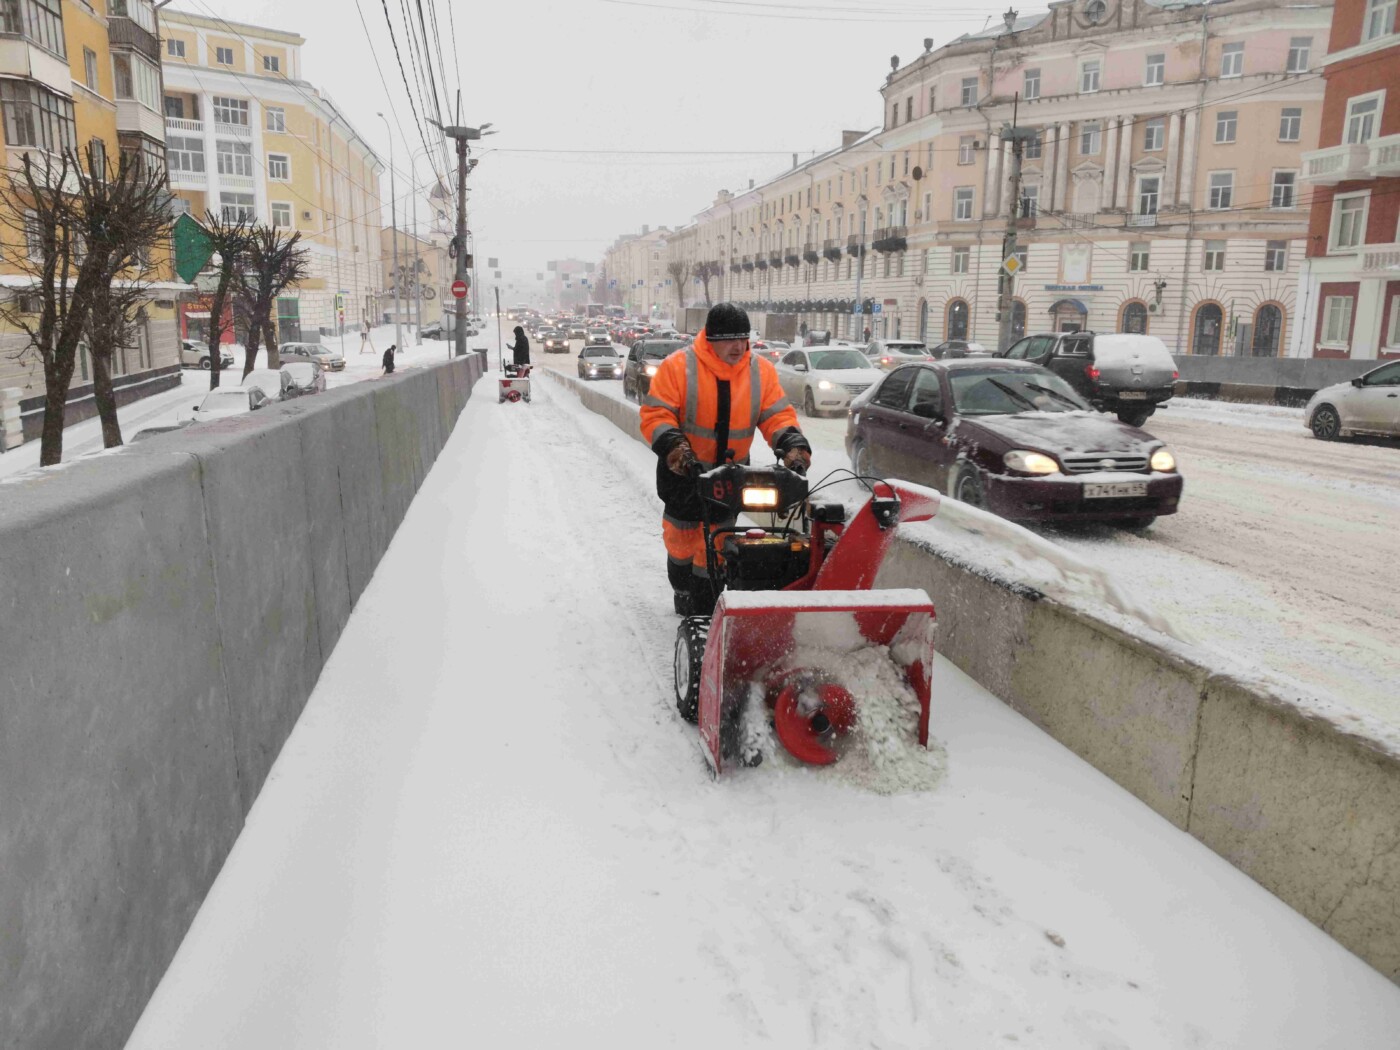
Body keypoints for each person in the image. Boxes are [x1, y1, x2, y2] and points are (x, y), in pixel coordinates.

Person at [640, 302, 812, 616]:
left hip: (729, 477)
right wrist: (676, 449)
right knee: (681, 543)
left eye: (743, 338)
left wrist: (793, 446)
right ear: (712, 339)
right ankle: (681, 587)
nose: (738, 346)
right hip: (684, 474)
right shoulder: (678, 367)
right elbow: (656, 414)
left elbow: (777, 415)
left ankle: (706, 611)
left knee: (717, 547)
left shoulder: (760, 371)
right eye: (730, 339)